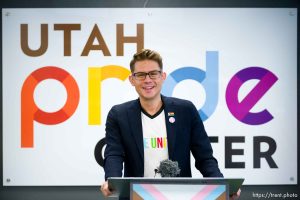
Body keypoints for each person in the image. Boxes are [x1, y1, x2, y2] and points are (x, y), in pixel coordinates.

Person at [100, 49, 240, 199]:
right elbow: (114, 154)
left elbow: (204, 157)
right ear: (132, 80)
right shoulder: (119, 114)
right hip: (136, 195)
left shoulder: (185, 110)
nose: (148, 80)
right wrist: (111, 181)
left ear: (163, 77)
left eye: (153, 73)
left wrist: (222, 186)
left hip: (180, 195)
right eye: (140, 75)